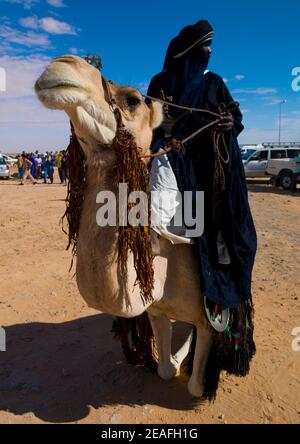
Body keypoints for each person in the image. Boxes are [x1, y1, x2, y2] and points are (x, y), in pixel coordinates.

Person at [147, 20, 257, 374]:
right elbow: (149, 124)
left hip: (210, 169)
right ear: (184, 54)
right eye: (202, 49)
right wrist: (164, 141)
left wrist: (228, 126)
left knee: (224, 230)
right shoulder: (160, 84)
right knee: (134, 217)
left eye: (210, 49)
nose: (208, 54)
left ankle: (220, 299)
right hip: (167, 162)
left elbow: (234, 118)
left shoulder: (214, 83)